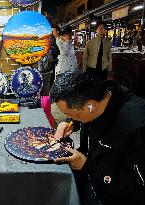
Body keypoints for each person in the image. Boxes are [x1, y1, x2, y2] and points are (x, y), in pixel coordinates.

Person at [49, 71, 145, 204]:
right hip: (90, 177)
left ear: (90, 106)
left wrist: (87, 165)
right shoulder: (100, 94)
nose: (69, 117)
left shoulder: (136, 126)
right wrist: (71, 121)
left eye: (70, 113)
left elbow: (137, 188)